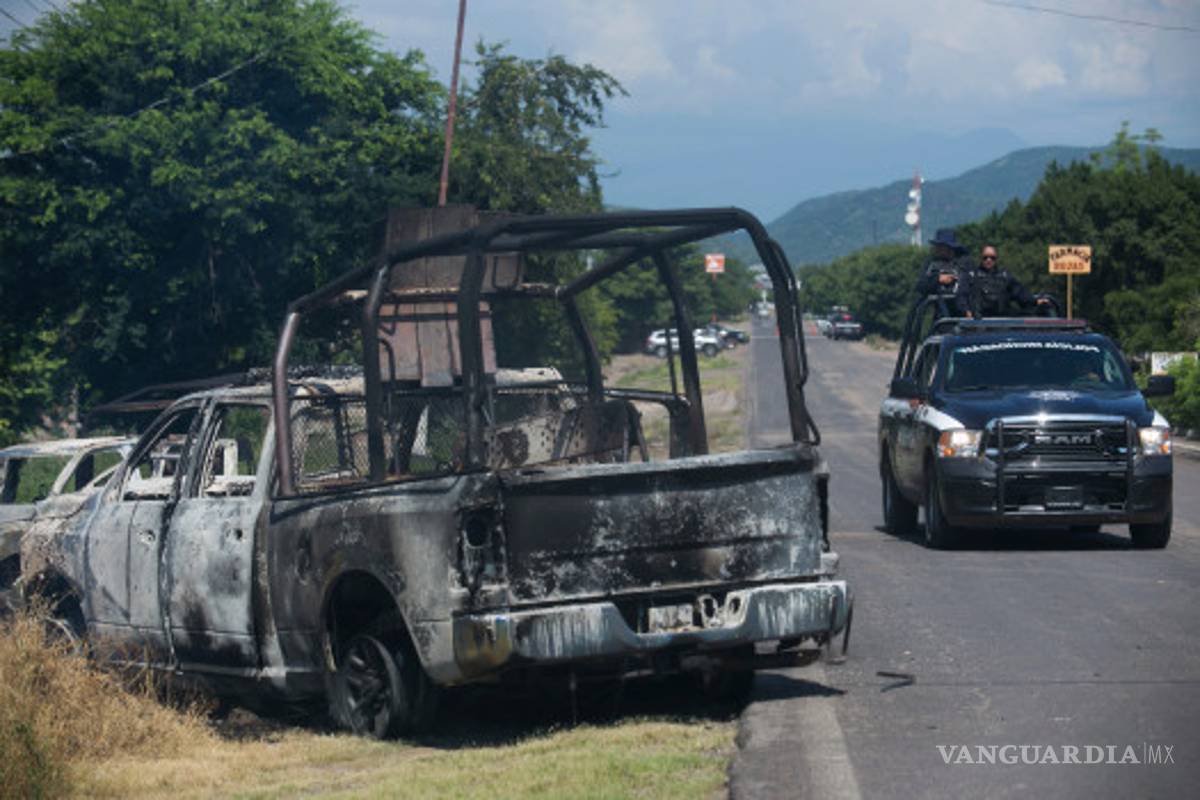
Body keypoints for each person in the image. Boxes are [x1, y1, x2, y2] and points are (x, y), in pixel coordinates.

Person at [966, 245, 1050, 317]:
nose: (989, 260)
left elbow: (1019, 292)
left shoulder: (1005, 276)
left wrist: (1034, 301)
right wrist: (966, 310)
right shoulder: (972, 275)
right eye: (985, 257)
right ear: (981, 258)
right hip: (979, 321)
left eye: (992, 258)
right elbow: (962, 296)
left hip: (1002, 320)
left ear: (996, 259)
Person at [915, 228, 971, 317]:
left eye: (940, 246)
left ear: (949, 248)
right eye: (937, 246)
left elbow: (972, 286)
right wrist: (938, 279)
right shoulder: (931, 264)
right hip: (941, 316)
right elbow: (920, 285)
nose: (936, 249)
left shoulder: (965, 264)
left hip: (964, 315)